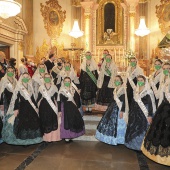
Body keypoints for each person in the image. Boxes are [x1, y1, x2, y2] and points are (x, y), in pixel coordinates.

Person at [141, 63, 170, 166]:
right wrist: (152, 83)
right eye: (165, 69)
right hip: (163, 107)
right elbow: (157, 95)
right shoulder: (163, 80)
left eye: (168, 69)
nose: (166, 70)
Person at [2, 73, 42, 145]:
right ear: (21, 78)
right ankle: (24, 139)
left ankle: (32, 137)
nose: (26, 78)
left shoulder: (30, 87)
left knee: (33, 122)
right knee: (23, 123)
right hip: (23, 107)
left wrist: (36, 107)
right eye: (24, 77)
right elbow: (17, 99)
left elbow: (32, 99)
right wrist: (16, 109)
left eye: (27, 77)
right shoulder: (19, 87)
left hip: (31, 107)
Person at [125, 75, 156, 151]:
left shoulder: (148, 91)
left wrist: (149, 115)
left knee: (142, 129)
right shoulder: (136, 90)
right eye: (138, 80)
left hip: (143, 113)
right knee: (133, 128)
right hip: (135, 113)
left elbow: (151, 104)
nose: (140, 82)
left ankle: (141, 147)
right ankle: (132, 145)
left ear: (145, 81)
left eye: (141, 80)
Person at [96, 75, 128, 145]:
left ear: (121, 81)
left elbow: (124, 102)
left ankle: (119, 139)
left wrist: (122, 111)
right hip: (113, 107)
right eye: (115, 80)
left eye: (118, 80)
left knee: (119, 125)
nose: (116, 81)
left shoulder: (123, 90)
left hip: (119, 109)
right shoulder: (115, 89)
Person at [58, 77, 85, 142]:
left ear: (70, 82)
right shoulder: (61, 90)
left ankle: (71, 136)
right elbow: (59, 101)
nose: (67, 82)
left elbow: (77, 99)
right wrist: (59, 111)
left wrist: (78, 107)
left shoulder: (73, 89)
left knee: (72, 121)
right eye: (66, 81)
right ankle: (66, 137)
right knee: (66, 122)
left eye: (68, 81)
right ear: (63, 82)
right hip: (65, 108)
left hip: (73, 108)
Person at [37, 73, 61, 142]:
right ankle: (45, 138)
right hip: (43, 107)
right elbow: (38, 98)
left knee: (52, 121)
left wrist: (59, 109)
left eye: (48, 77)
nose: (47, 79)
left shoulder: (54, 87)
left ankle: (52, 138)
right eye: (46, 77)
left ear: (51, 78)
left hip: (52, 107)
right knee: (44, 121)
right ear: (44, 79)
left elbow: (57, 99)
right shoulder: (41, 87)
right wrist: (36, 108)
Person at [0, 67, 17, 144]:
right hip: (6, 102)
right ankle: (5, 135)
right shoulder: (4, 80)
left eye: (12, 71)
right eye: (9, 71)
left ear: (14, 72)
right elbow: (1, 92)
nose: (10, 72)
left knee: (13, 118)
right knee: (6, 118)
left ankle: (13, 134)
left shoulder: (15, 80)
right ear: (6, 72)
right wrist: (1, 104)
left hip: (13, 102)